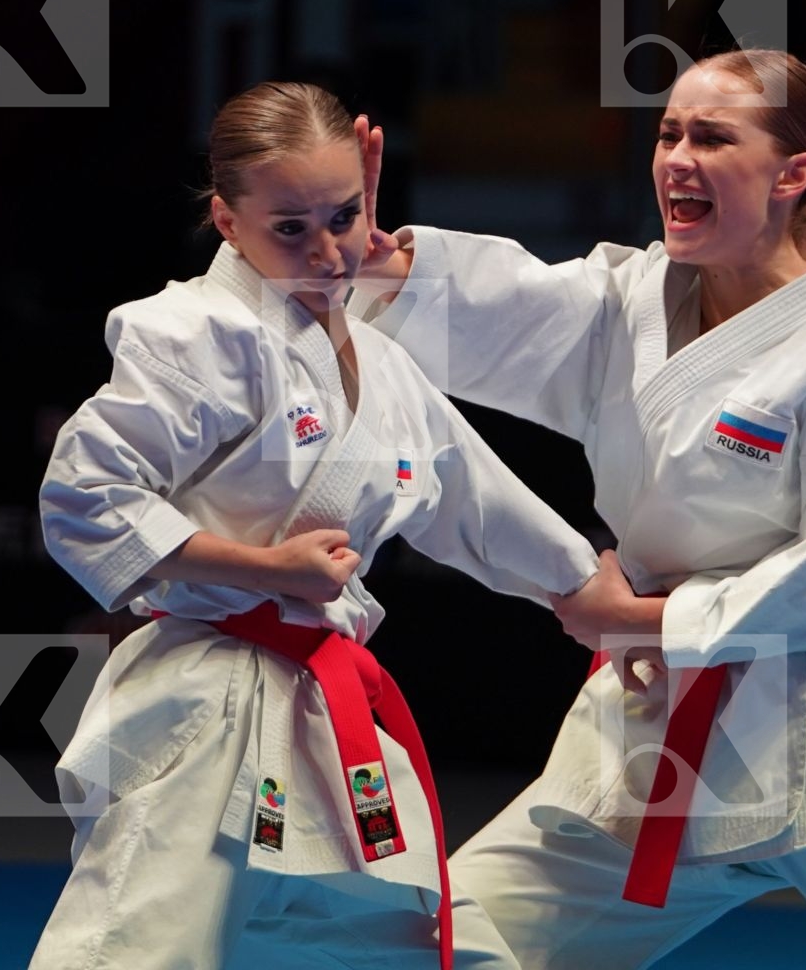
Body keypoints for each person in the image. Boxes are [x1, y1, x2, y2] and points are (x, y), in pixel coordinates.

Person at [349, 51, 806, 969]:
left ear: (795, 174)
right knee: (451, 942)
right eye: (668, 133)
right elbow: (511, 308)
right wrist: (388, 266)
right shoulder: (629, 301)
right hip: (662, 736)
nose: (676, 157)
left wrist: (652, 621)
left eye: (711, 136)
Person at [32, 81, 599, 969]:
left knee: (444, 953)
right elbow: (83, 496)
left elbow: (472, 498)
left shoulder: (381, 360)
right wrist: (269, 570)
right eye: (288, 228)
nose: (329, 251)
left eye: (344, 216)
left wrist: (597, 597)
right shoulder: (193, 332)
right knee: (129, 955)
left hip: (325, 714)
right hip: (204, 709)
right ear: (226, 222)